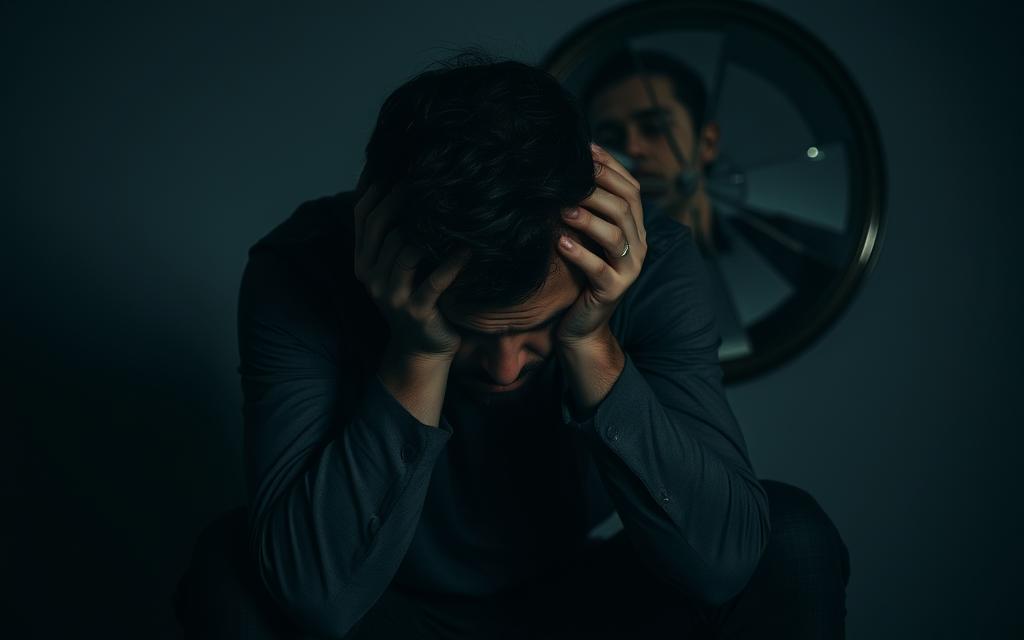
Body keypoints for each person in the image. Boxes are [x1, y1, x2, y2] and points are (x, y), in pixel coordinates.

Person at [174, 49, 850, 639]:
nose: (503, 369)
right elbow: (315, 597)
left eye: (538, 330)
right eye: (469, 333)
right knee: (232, 563)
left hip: (581, 608)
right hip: (384, 611)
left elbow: (723, 561)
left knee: (788, 536)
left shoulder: (643, 260)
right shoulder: (301, 267)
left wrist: (589, 340)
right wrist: (419, 352)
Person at [581, 49, 842, 348]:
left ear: (707, 142)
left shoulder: (788, 250)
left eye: (655, 128)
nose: (634, 148)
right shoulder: (589, 265)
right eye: (612, 137)